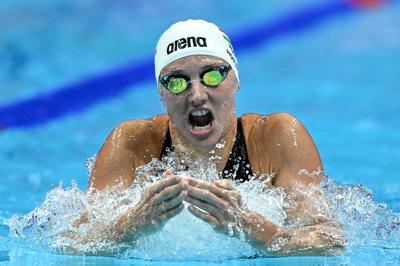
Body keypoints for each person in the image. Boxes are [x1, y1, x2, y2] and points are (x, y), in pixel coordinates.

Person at [88, 19, 344, 255]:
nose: (197, 94)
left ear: (235, 80)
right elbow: (73, 241)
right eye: (177, 82)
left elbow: (329, 241)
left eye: (212, 75)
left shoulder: (277, 137)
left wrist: (250, 226)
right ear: (161, 94)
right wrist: (132, 224)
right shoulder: (132, 143)